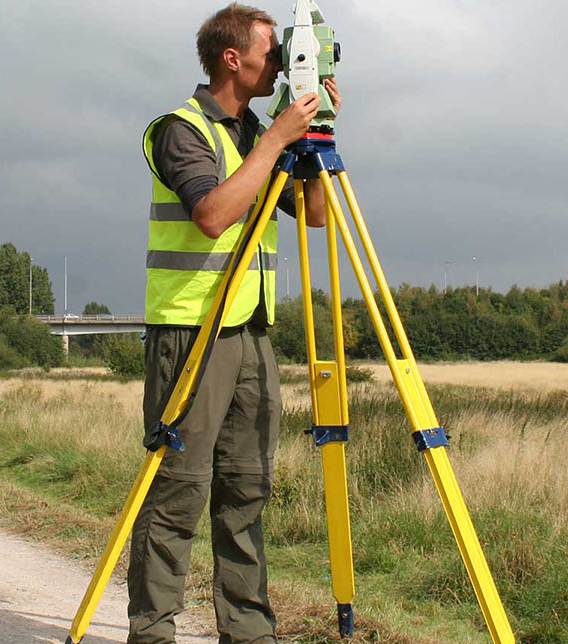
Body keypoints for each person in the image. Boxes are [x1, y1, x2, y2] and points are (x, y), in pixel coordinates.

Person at [130, 3, 341, 643]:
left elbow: (316, 217)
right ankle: (153, 632)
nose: (280, 64)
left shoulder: (257, 133)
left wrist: (318, 135)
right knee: (177, 495)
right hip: (190, 336)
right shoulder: (182, 129)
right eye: (273, 53)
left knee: (246, 492)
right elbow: (212, 215)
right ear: (233, 58)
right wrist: (278, 138)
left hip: (250, 335)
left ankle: (248, 632)